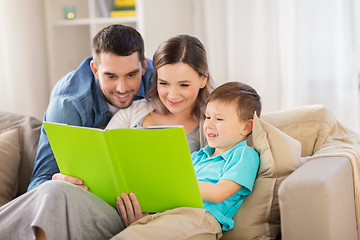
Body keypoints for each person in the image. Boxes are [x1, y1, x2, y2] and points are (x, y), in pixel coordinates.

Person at [0, 34, 212, 240]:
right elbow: (102, 154)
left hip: (156, 220)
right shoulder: (134, 109)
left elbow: (212, 187)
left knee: (53, 193)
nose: (172, 94)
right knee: (53, 189)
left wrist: (147, 221)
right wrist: (64, 179)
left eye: (183, 85)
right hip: (107, 208)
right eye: (164, 83)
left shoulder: (210, 126)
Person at [112, 81, 261, 240]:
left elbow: (219, 193)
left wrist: (175, 183)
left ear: (246, 127)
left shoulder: (244, 155)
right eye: (208, 116)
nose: (209, 124)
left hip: (200, 219)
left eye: (219, 119)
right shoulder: (198, 156)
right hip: (167, 215)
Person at [27, 24, 154, 191]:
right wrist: (56, 184)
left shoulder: (159, 81)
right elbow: (37, 185)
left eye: (131, 75)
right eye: (111, 76)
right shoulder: (68, 105)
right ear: (95, 69)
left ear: (143, 66)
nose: (122, 88)